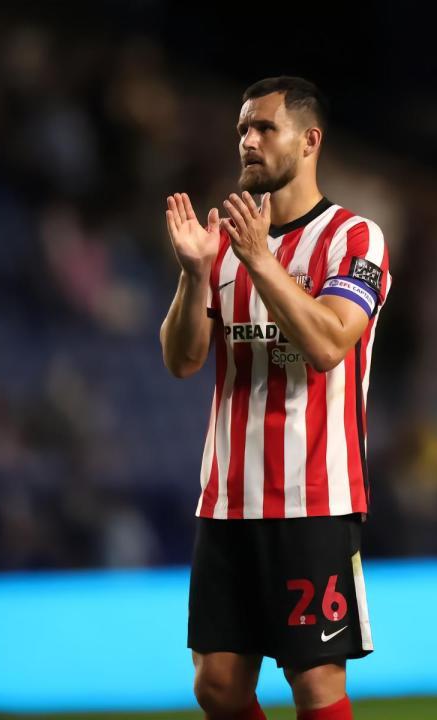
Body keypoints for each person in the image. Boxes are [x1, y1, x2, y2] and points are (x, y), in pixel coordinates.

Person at [160, 76, 391, 720]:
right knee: (216, 686)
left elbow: (328, 343)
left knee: (315, 684)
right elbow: (182, 360)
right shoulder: (224, 243)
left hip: (313, 498)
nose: (248, 140)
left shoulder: (354, 239)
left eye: (264, 127)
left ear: (309, 140)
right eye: (242, 129)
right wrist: (194, 274)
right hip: (227, 498)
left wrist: (261, 260)